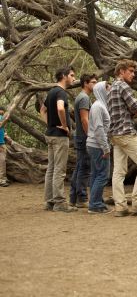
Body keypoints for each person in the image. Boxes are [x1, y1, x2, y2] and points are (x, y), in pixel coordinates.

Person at [108, 59, 137, 217]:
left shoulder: (111, 89)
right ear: (121, 71)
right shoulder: (122, 85)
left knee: (119, 172)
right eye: (131, 71)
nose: (133, 75)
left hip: (115, 134)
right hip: (126, 132)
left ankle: (120, 206)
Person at [40, 66, 77, 212]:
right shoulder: (61, 92)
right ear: (64, 76)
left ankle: (49, 202)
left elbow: (42, 110)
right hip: (59, 136)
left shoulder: (51, 92)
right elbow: (61, 108)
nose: (74, 78)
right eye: (72, 75)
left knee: (51, 168)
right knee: (59, 170)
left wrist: (49, 123)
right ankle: (60, 203)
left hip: (50, 134)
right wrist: (64, 125)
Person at [69, 74, 97, 208]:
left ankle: (73, 197)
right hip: (84, 137)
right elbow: (84, 119)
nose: (95, 84)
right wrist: (90, 136)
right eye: (93, 82)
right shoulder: (84, 98)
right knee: (84, 168)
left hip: (81, 137)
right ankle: (82, 198)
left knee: (80, 167)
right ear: (86, 83)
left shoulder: (81, 97)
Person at [86, 81, 111, 214]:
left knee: (96, 174)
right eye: (108, 89)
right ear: (101, 90)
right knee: (102, 175)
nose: (110, 91)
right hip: (97, 145)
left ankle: (97, 201)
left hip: (96, 144)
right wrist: (105, 148)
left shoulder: (102, 106)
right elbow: (98, 128)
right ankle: (94, 205)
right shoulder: (98, 106)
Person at [0, 106, 10, 187]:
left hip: (2, 142)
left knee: (3, 161)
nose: (3, 112)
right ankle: (2, 180)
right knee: (2, 161)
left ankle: (3, 178)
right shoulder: (1, 118)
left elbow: (2, 130)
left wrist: (6, 136)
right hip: (0, 143)